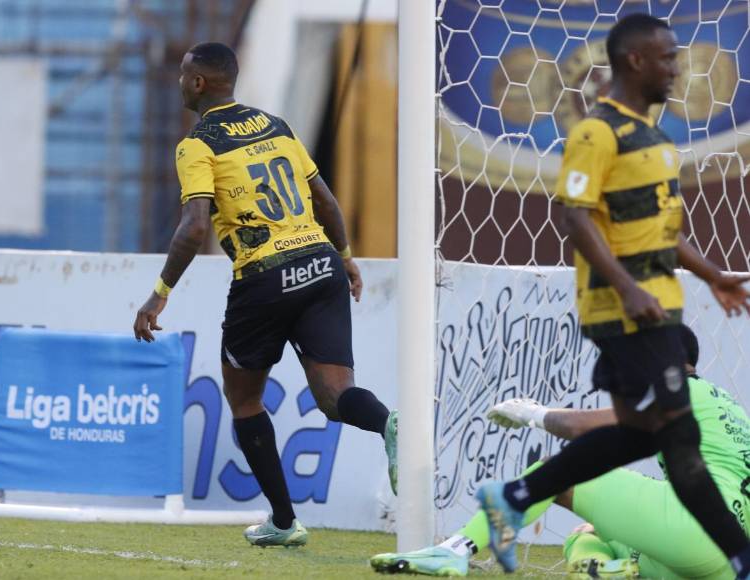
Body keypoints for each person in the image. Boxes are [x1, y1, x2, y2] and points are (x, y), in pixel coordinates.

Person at [476, 13, 750, 576]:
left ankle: (515, 499)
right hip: (622, 310)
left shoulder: (657, 140)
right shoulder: (595, 133)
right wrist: (626, 289)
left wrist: (712, 275)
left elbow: (666, 232)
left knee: (651, 436)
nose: (678, 68)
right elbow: (574, 217)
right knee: (678, 441)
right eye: (668, 58)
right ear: (635, 61)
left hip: (658, 306)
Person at [132, 41, 397, 547]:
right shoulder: (277, 125)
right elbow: (324, 199)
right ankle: (388, 425)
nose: (180, 82)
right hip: (321, 264)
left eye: (185, 75)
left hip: (265, 273)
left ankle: (282, 520)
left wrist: (160, 293)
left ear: (198, 83)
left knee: (244, 397)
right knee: (336, 397)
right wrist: (343, 256)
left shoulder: (197, 144)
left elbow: (192, 228)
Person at [373, 325, 750, 579]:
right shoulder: (728, 406)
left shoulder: (681, 391)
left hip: (694, 530)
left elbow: (583, 428)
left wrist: (533, 413)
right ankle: (603, 568)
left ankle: (457, 548)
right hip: (726, 557)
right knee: (585, 533)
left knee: (557, 472)